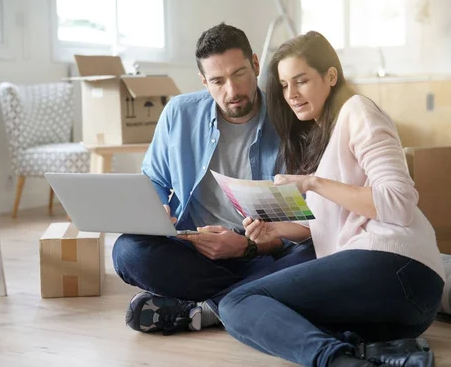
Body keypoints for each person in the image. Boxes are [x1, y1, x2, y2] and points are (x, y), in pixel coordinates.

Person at [218, 31, 445, 367]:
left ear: (331, 76)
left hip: (398, 267)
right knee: (273, 315)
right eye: (283, 85)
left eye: (301, 81)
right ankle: (381, 354)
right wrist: (278, 230)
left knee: (238, 303)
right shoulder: (321, 135)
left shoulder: (358, 110)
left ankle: (339, 362)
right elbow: (330, 222)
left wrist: (313, 183)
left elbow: (398, 202)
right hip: (403, 309)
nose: (291, 94)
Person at [111, 23, 316, 335]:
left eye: (239, 74)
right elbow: (153, 178)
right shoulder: (179, 114)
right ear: (204, 81)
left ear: (256, 65)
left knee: (316, 253)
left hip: (263, 253)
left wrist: (246, 247)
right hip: (196, 250)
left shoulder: (290, 119)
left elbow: (306, 222)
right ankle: (246, 299)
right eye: (218, 81)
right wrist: (155, 210)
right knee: (127, 252)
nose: (232, 91)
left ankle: (206, 309)